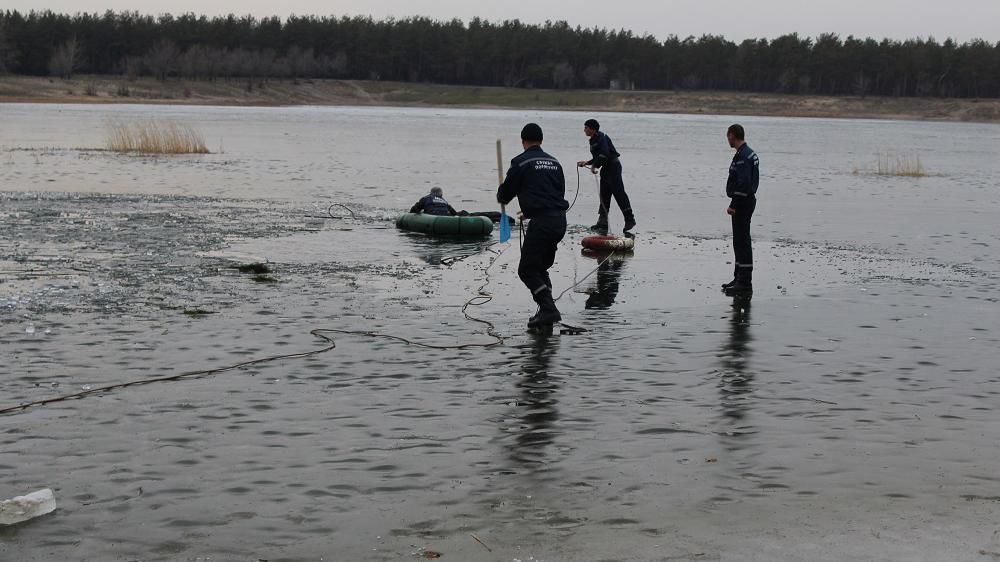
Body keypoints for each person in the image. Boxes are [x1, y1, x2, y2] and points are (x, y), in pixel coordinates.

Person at [497, 123, 569, 328]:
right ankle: (545, 313)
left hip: (543, 224)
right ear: (541, 140)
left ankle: (549, 309)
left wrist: (501, 192)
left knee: (527, 270)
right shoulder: (555, 162)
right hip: (559, 221)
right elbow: (554, 193)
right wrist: (529, 212)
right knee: (540, 267)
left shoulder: (521, 162)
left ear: (523, 141)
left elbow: (505, 195)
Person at [576, 119, 636, 233]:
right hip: (606, 168)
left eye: (586, 128)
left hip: (613, 167)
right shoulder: (593, 140)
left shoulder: (601, 137)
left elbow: (605, 154)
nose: (584, 130)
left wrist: (595, 166)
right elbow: (598, 157)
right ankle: (602, 223)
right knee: (604, 195)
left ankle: (630, 220)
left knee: (619, 193)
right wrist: (587, 163)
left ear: (592, 129)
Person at [722, 124, 759, 294]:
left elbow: (744, 183)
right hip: (746, 200)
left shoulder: (744, 156)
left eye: (728, 136)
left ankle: (744, 282)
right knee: (739, 241)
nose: (727, 140)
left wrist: (733, 204)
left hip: (743, 203)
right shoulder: (747, 153)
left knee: (742, 242)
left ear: (732, 135)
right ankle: (738, 277)